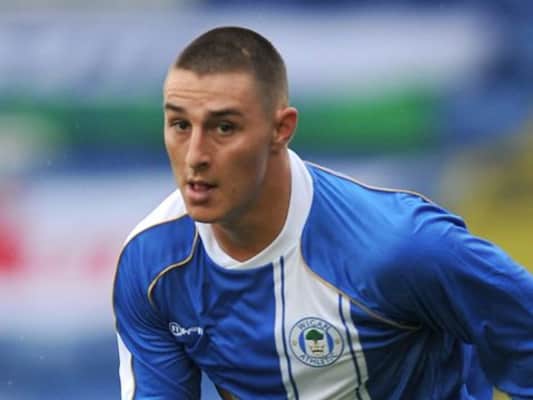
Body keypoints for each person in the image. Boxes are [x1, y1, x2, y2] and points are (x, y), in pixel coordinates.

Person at [112, 26, 533, 399]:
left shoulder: (399, 247)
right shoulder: (151, 265)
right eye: (180, 125)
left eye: (224, 127)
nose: (195, 156)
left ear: (281, 130)